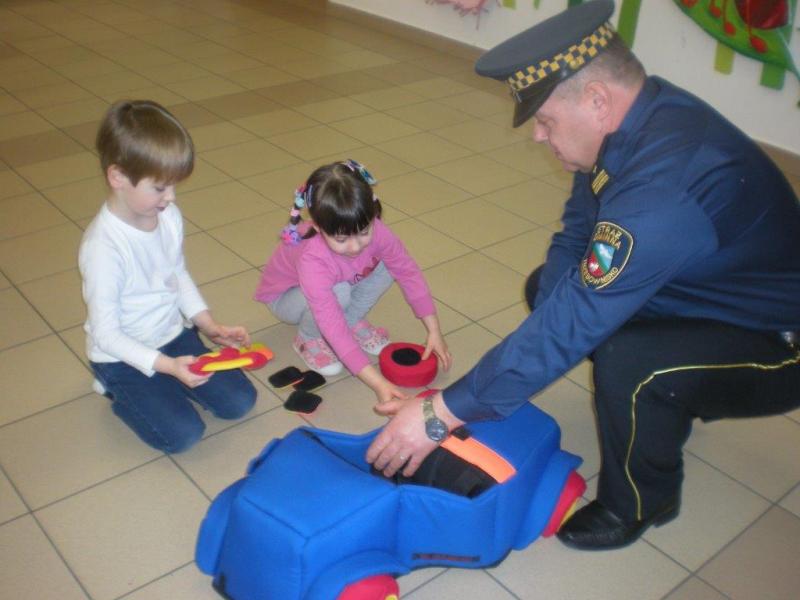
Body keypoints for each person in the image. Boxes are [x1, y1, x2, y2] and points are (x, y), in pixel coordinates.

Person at [366, 0, 800, 551]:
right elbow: (577, 237)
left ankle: (642, 501)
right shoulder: (632, 126)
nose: (538, 136)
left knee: (630, 361)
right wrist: (513, 366)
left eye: (545, 120)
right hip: (703, 294)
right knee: (548, 290)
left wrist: (438, 413)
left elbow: (576, 321)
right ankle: (669, 395)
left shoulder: (664, 187)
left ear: (597, 100)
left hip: (777, 341)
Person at [80, 100, 257, 454]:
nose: (171, 197)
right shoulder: (103, 249)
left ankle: (166, 382)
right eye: (160, 188)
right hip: (121, 357)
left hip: (173, 337)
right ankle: (117, 390)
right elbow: (106, 335)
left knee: (240, 401)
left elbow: (177, 273)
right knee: (182, 435)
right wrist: (167, 367)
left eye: (174, 186)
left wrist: (207, 324)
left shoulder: (168, 215)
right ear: (118, 177)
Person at [255, 159, 452, 403]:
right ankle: (307, 337)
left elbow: (408, 271)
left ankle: (351, 319)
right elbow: (329, 318)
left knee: (388, 265)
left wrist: (434, 330)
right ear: (319, 227)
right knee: (338, 293)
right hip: (286, 299)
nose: (355, 246)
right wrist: (377, 382)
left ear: (372, 213)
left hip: (340, 281)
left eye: (363, 232)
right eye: (341, 239)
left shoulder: (378, 230)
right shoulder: (312, 258)